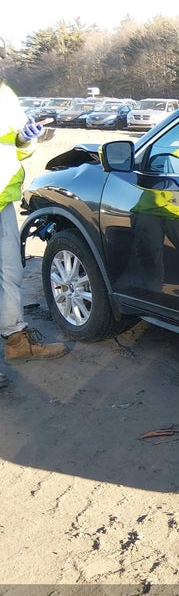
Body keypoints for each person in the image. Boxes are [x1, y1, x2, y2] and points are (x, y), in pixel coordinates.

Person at [0, 36, 68, 386]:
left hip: (1, 199)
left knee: (10, 274)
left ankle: (16, 341)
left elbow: (17, 147)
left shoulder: (5, 95)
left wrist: (26, 138)